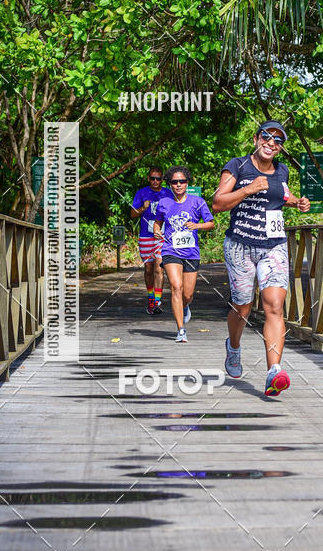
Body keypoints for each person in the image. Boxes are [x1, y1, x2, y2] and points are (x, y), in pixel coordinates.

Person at [212, 121, 310, 396]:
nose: (271, 143)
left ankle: (273, 371)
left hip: (274, 246)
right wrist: (247, 189)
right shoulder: (238, 166)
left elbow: (281, 195)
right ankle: (233, 347)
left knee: (274, 307)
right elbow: (217, 204)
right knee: (243, 308)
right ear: (256, 138)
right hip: (239, 245)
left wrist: (297, 202)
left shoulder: (282, 170)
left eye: (278, 140)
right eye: (267, 136)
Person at [153, 166, 214, 343]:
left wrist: (197, 226)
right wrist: (157, 231)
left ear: (187, 183)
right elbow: (158, 223)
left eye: (182, 181)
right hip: (170, 250)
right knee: (176, 287)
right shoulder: (164, 203)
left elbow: (210, 223)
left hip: (191, 252)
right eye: (174, 182)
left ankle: (185, 306)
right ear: (170, 184)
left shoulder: (198, 202)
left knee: (187, 294)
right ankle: (181, 330)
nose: (178, 185)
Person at [130, 167, 173, 314]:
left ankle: (157, 301)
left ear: (162, 179)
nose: (155, 181)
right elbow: (132, 214)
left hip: (161, 236)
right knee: (148, 269)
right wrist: (143, 207)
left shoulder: (168, 193)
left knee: (158, 267)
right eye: (153, 178)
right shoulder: (141, 193)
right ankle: (150, 298)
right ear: (148, 178)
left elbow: (174, 211)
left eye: (158, 178)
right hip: (145, 236)